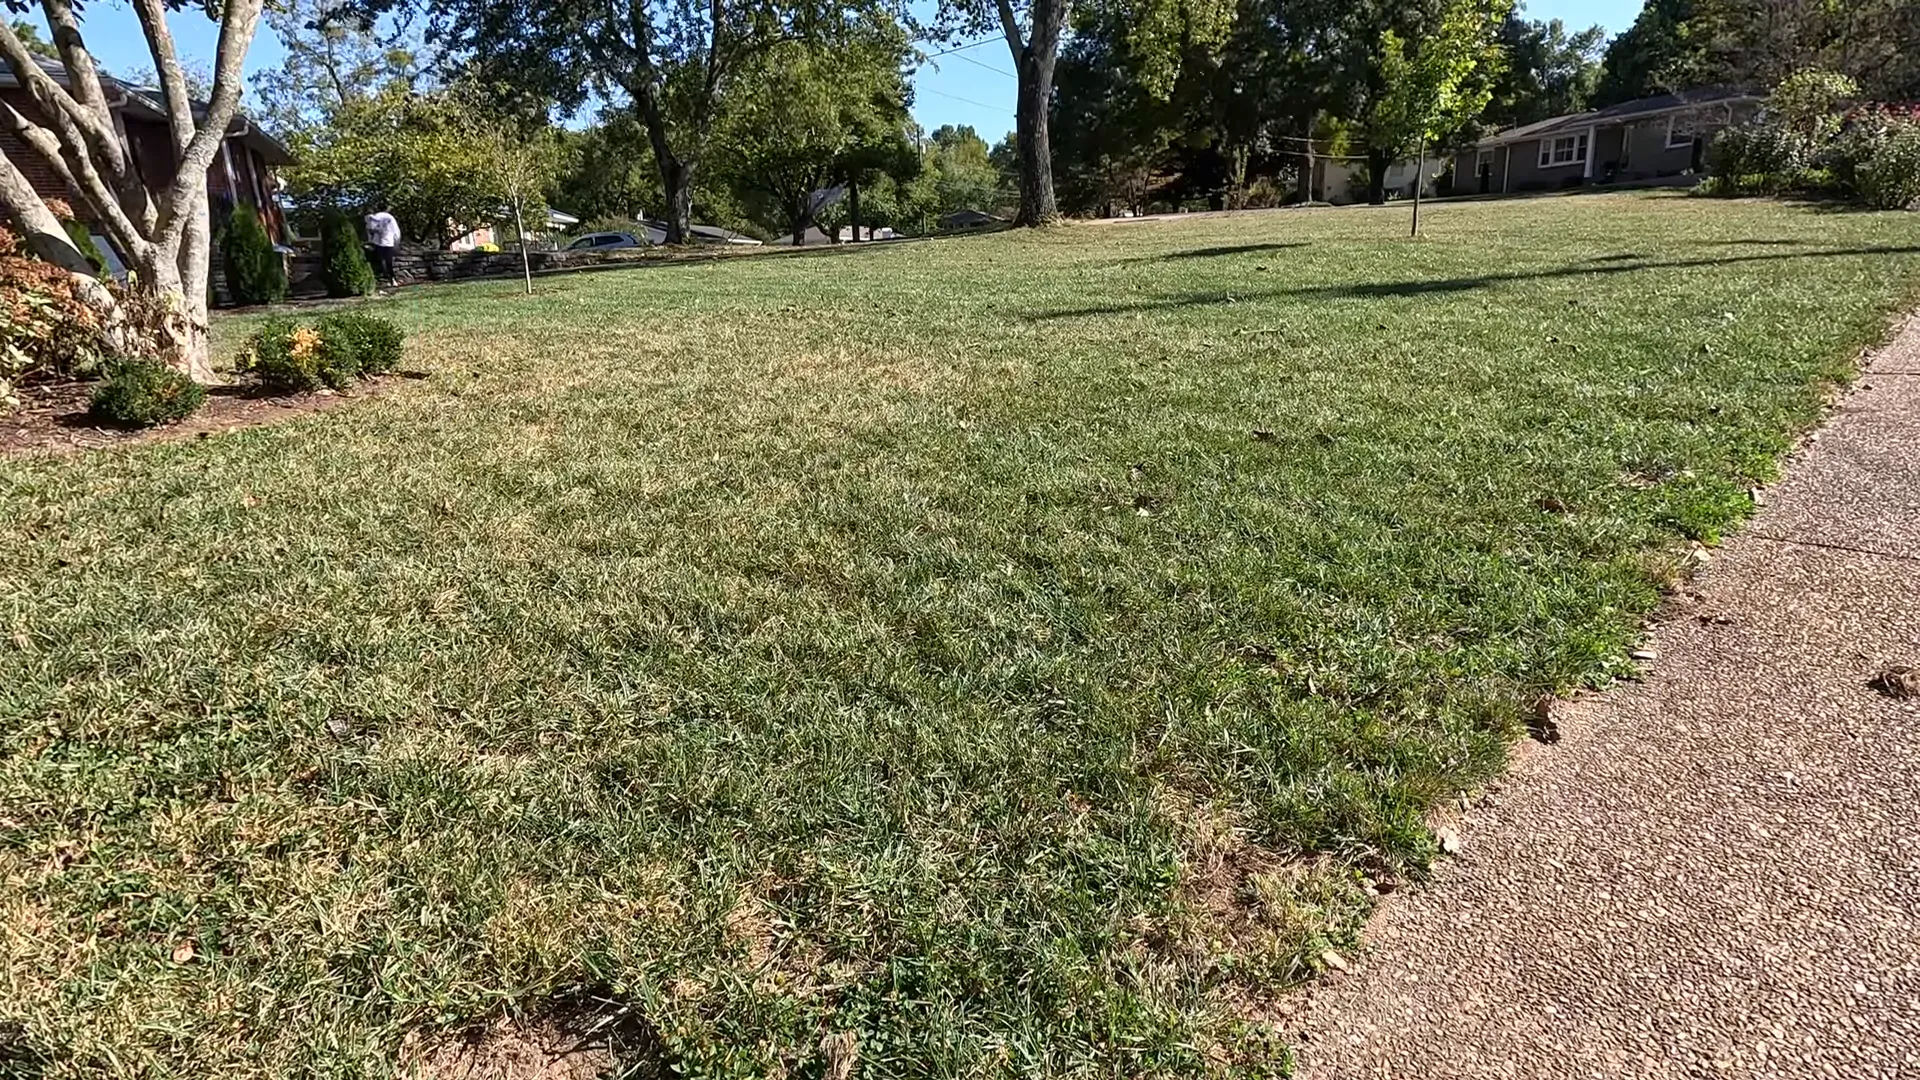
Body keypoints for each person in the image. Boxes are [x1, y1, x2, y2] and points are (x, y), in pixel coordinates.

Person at [364, 204, 401, 287]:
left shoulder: (374, 217)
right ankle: (392, 279)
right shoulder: (390, 218)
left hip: (378, 242)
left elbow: (370, 229)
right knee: (388, 261)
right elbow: (396, 231)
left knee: (381, 261)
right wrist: (397, 241)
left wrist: (371, 239)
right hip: (389, 242)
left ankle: (385, 279)